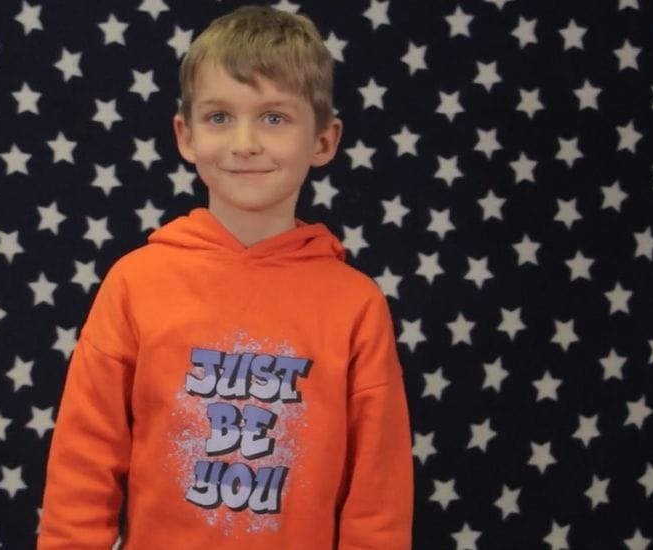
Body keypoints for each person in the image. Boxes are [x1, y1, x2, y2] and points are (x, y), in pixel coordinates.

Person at [37, 5, 413, 549]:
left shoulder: (355, 304)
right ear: (185, 135)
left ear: (324, 141)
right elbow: (83, 462)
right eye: (219, 117)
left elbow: (378, 495)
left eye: (274, 118)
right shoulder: (136, 283)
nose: (245, 143)